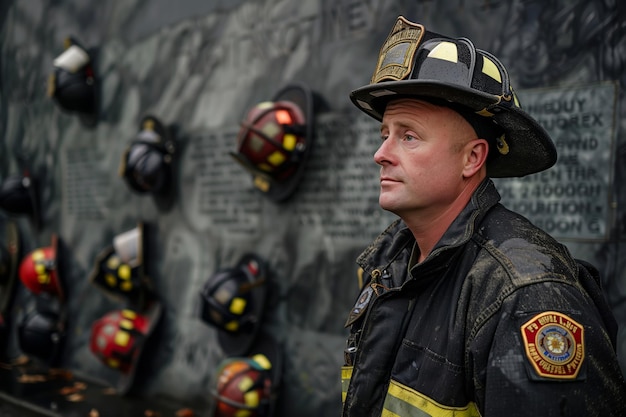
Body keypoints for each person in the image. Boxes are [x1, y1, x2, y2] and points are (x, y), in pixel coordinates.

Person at [341, 16, 626, 417]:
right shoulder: (389, 264)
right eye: (384, 134)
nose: (381, 154)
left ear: (472, 158)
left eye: (408, 136)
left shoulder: (526, 295)